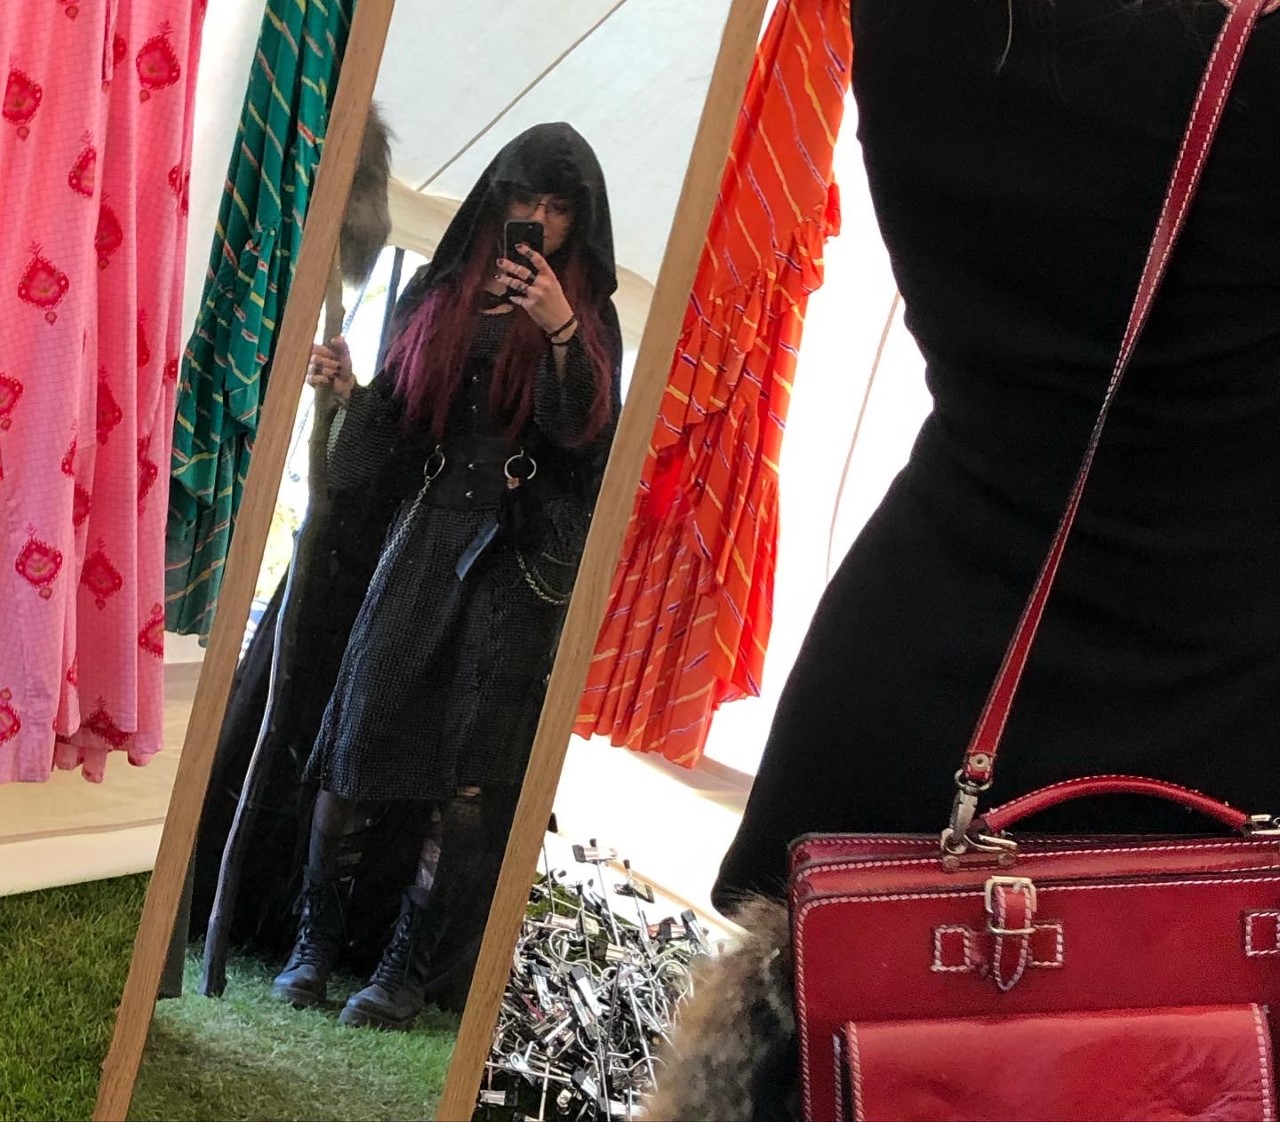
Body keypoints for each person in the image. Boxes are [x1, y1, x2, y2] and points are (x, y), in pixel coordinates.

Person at [270, 122, 622, 1029]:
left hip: (516, 561)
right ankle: (313, 945)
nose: (540, 220)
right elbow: (377, 449)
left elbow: (582, 433)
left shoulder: (589, 316)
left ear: (579, 221)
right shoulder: (437, 292)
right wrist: (348, 395)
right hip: (425, 535)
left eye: (558, 208)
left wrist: (558, 328)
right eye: (527, 200)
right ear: (499, 201)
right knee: (355, 738)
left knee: (464, 780)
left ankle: (402, 971)